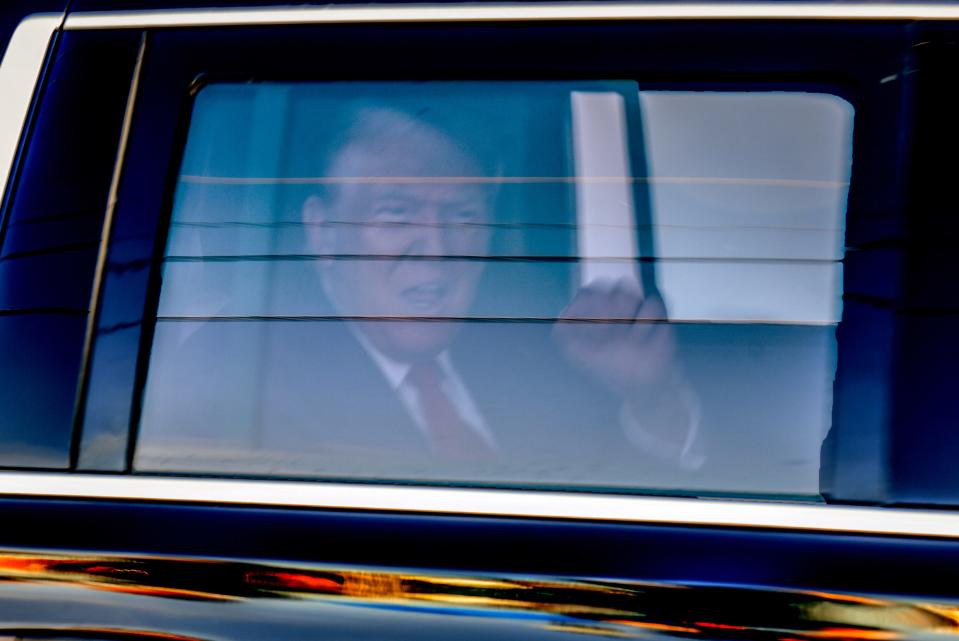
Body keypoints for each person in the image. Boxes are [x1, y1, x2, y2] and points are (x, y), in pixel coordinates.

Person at [256, 105, 702, 485]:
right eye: (396, 214)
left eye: (462, 217)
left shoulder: (528, 354)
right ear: (323, 233)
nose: (438, 251)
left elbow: (638, 503)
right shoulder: (250, 378)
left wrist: (651, 397)